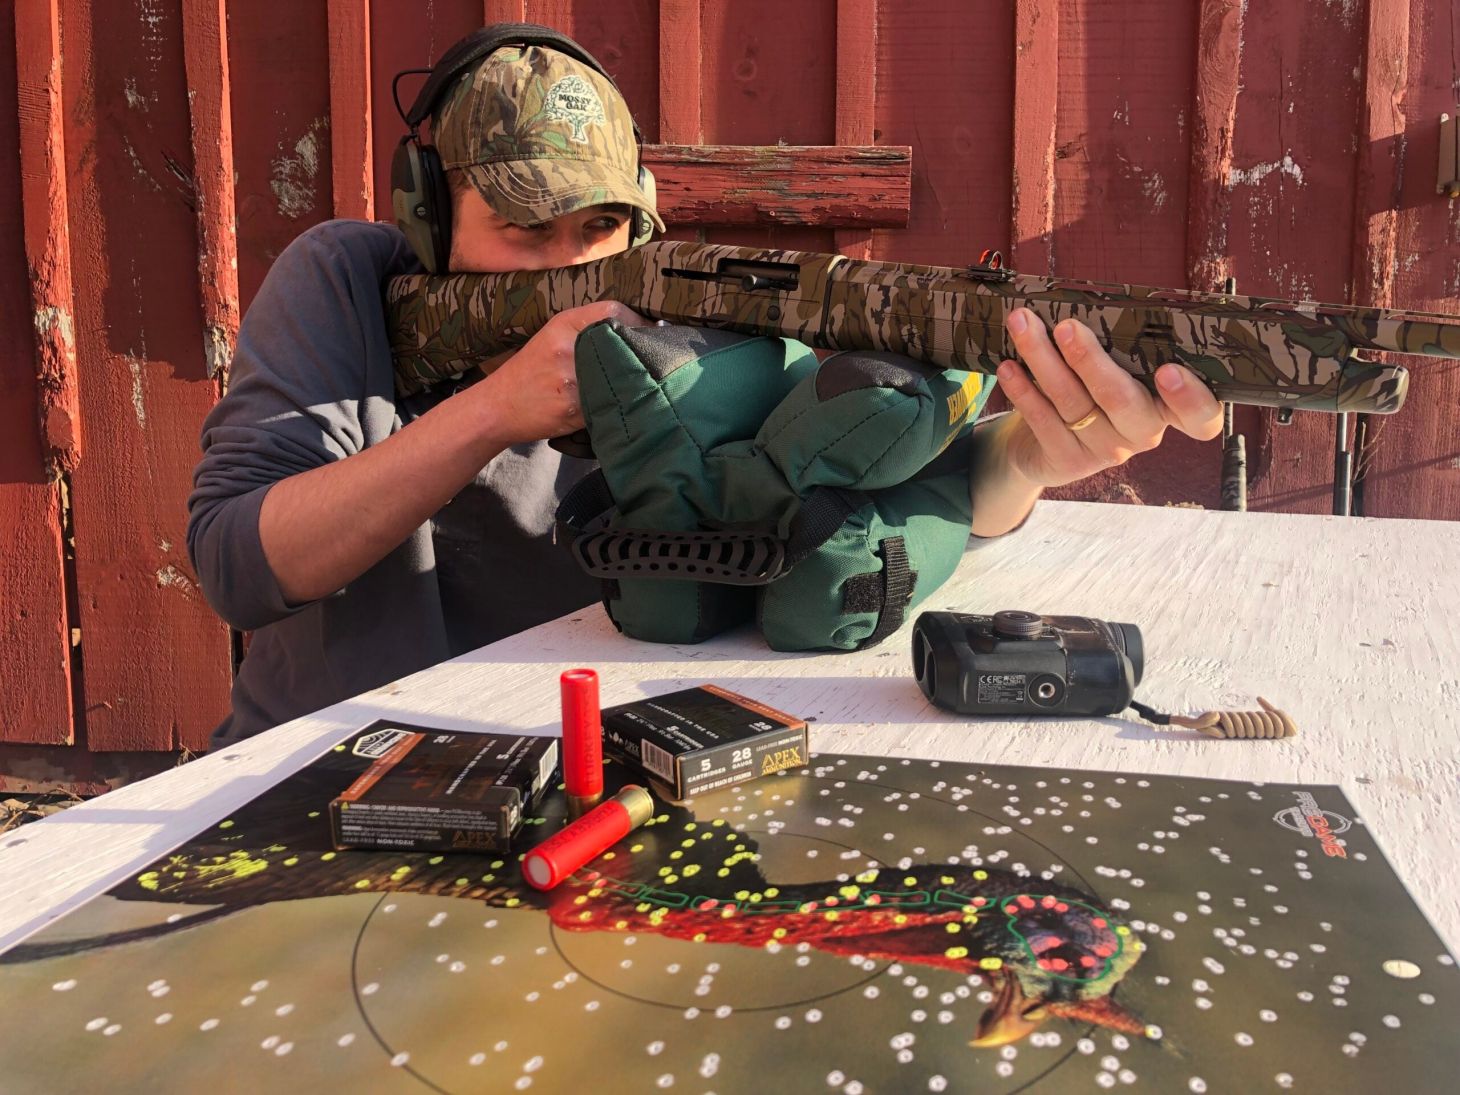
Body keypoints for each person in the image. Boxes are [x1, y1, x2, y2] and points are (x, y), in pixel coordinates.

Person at [188, 27, 1221, 748]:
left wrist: (1039, 451)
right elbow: (237, 562)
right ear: (427, 220)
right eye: (523, 233)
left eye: (595, 229)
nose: (569, 265)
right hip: (328, 772)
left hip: (588, 775)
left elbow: (842, 496)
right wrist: (495, 410)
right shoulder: (349, 283)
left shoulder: (666, 309)